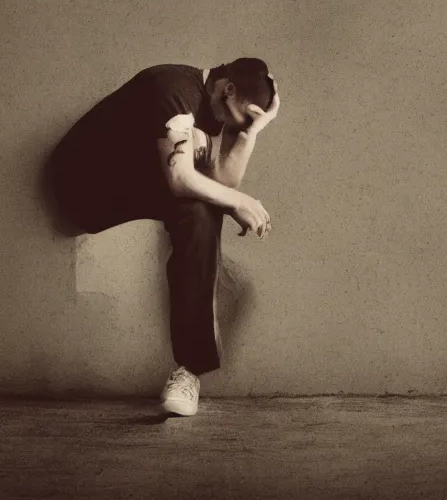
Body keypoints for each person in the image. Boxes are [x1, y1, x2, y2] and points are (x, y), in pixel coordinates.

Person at [48, 58, 280, 417]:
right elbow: (181, 179)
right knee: (198, 201)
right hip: (83, 189)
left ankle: (189, 371)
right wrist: (240, 201)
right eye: (230, 117)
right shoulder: (173, 88)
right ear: (227, 88)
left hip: (122, 186)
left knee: (204, 203)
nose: (224, 126)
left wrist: (251, 131)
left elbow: (222, 182)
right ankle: (191, 369)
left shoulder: (213, 106)